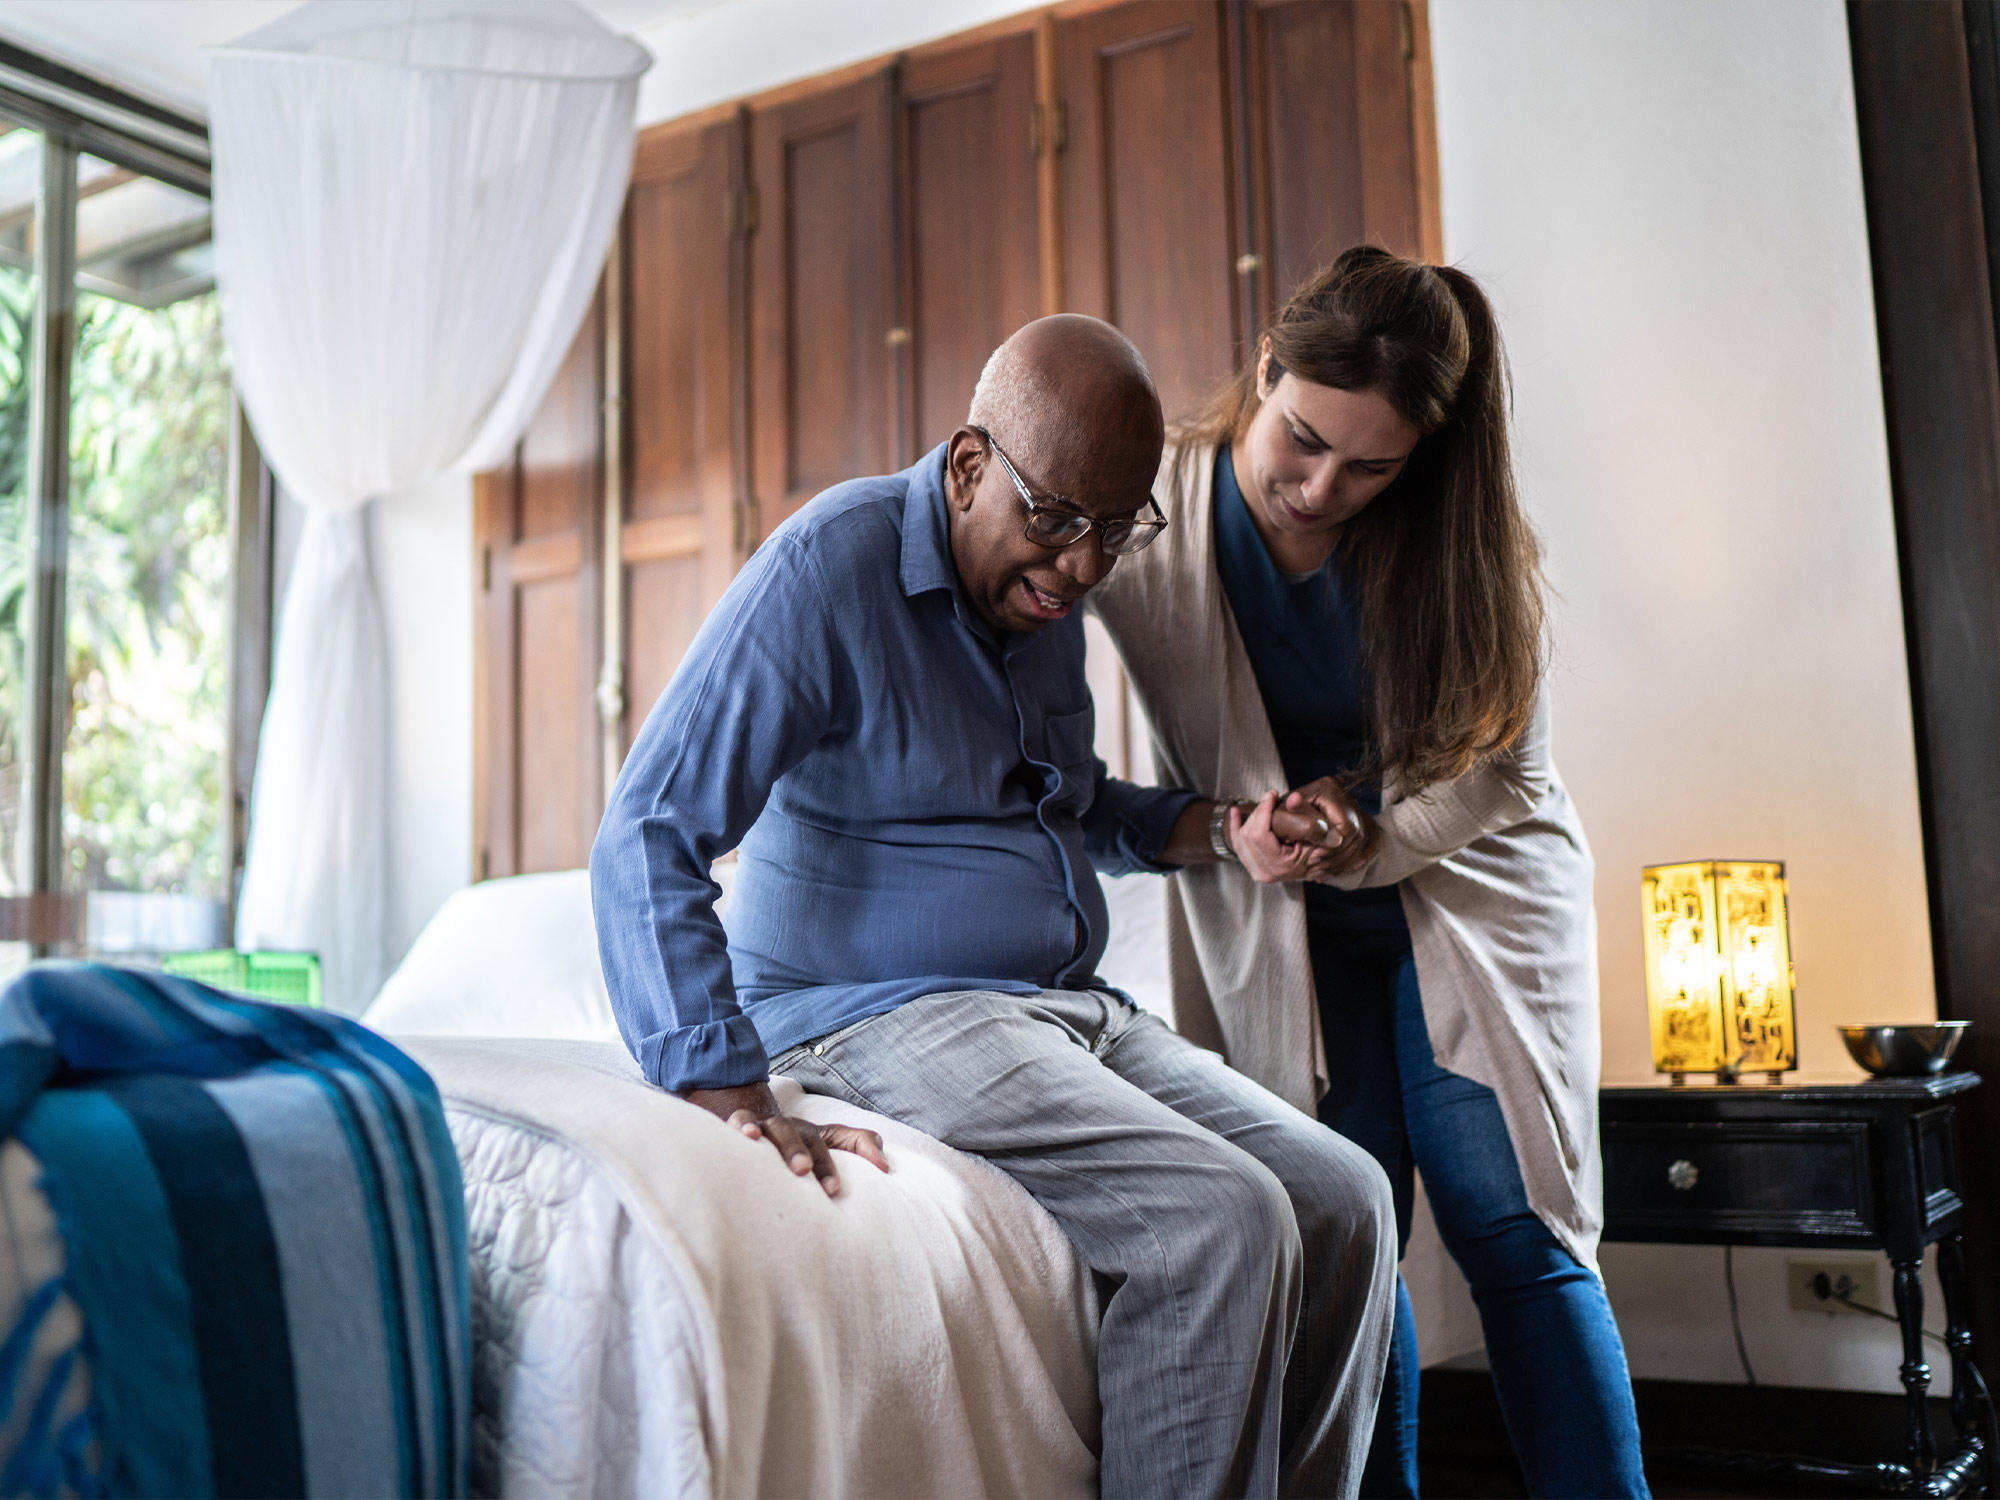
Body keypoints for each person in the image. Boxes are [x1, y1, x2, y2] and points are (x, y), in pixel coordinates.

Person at [592, 313, 1399, 1500]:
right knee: (1218, 1223)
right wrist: (724, 1085)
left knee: (1344, 1200)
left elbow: (1068, 809)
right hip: (873, 1010)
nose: (1080, 567)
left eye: (1114, 531)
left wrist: (1221, 828)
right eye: (1056, 520)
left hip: (1059, 1004)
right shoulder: (829, 569)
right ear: (969, 467)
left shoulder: (1037, 607)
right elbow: (647, 830)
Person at [1088, 247, 1649, 1499]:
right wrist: (1213, 826)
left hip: (1470, 889)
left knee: (1509, 1218)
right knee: (1348, 1229)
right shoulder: (1151, 512)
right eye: (1300, 441)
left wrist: (1360, 827)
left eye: (1370, 466)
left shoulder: (1459, 541)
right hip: (1280, 908)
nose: (1321, 487)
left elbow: (1500, 771)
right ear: (1265, 370)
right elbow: (1040, 733)